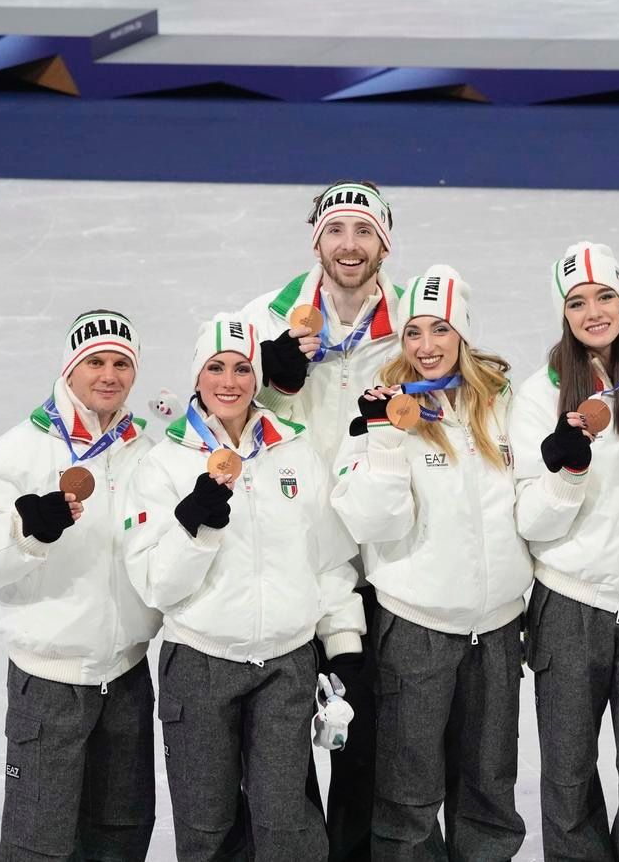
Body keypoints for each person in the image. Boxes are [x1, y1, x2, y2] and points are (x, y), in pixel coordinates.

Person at [123, 313, 365, 862]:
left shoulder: (294, 452)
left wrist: (344, 641)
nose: (228, 381)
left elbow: (329, 558)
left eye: (241, 368)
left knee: (285, 825)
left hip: (286, 665)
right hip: (200, 661)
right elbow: (157, 586)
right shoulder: (163, 464)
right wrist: (194, 527)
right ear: (196, 376)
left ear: (257, 376)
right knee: (207, 826)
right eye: (215, 368)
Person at [331, 264, 531, 861]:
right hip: (417, 629)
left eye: (439, 329)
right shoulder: (378, 410)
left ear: (461, 333)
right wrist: (385, 442)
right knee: (408, 794)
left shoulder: (501, 404)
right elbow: (372, 525)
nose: (425, 346)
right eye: (412, 332)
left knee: (489, 789)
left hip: (497, 629)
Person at [0, 310, 160, 861]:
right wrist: (24, 531)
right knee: (38, 844)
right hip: (49, 681)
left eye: (121, 364)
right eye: (95, 362)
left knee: (121, 835)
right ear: (70, 368)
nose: (109, 375)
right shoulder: (19, 449)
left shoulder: (144, 451)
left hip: (127, 676)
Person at [241, 179, 403, 860]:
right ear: (316, 242)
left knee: (364, 738)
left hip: (370, 564)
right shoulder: (264, 319)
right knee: (279, 745)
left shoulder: (413, 328)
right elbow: (212, 402)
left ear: (384, 245)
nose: (349, 244)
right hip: (284, 558)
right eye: (335, 230)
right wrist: (263, 377)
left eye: (364, 231)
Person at [509, 241, 619, 860]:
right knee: (567, 777)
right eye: (577, 302)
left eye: (605, 296)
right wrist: (566, 476)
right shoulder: (540, 395)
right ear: (563, 313)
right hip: (569, 604)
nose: (593, 312)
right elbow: (530, 523)